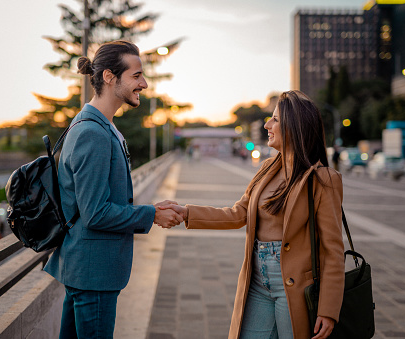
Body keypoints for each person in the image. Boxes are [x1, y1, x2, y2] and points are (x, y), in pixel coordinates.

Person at [161, 90, 345, 339]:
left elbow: (332, 249)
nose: (268, 124)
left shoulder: (323, 179)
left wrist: (328, 309)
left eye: (276, 120)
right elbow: (238, 214)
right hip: (257, 279)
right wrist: (186, 212)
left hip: (295, 285)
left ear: (296, 127)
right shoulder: (268, 168)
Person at [43, 40, 183, 339]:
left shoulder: (98, 126)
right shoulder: (92, 132)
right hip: (94, 273)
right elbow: (95, 213)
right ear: (109, 77)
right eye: (136, 76)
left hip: (87, 269)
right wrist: (151, 215)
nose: (143, 84)